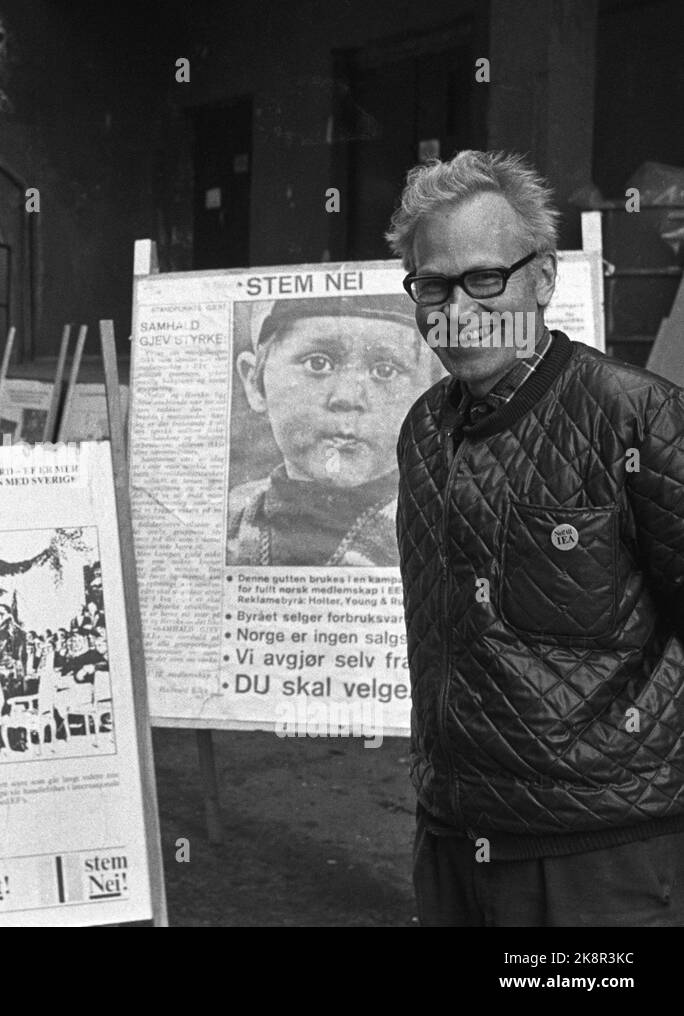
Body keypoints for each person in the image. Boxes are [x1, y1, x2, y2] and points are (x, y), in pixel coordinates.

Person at [389, 149, 684, 926]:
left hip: (598, 863)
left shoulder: (638, 418)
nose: (457, 309)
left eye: (486, 278)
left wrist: (613, 763)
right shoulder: (423, 431)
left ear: (544, 279)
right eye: (432, 284)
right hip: (452, 842)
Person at [227, 293, 443, 566]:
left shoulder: (441, 527)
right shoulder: (227, 520)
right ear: (255, 383)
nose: (348, 397)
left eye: (385, 370)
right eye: (318, 363)